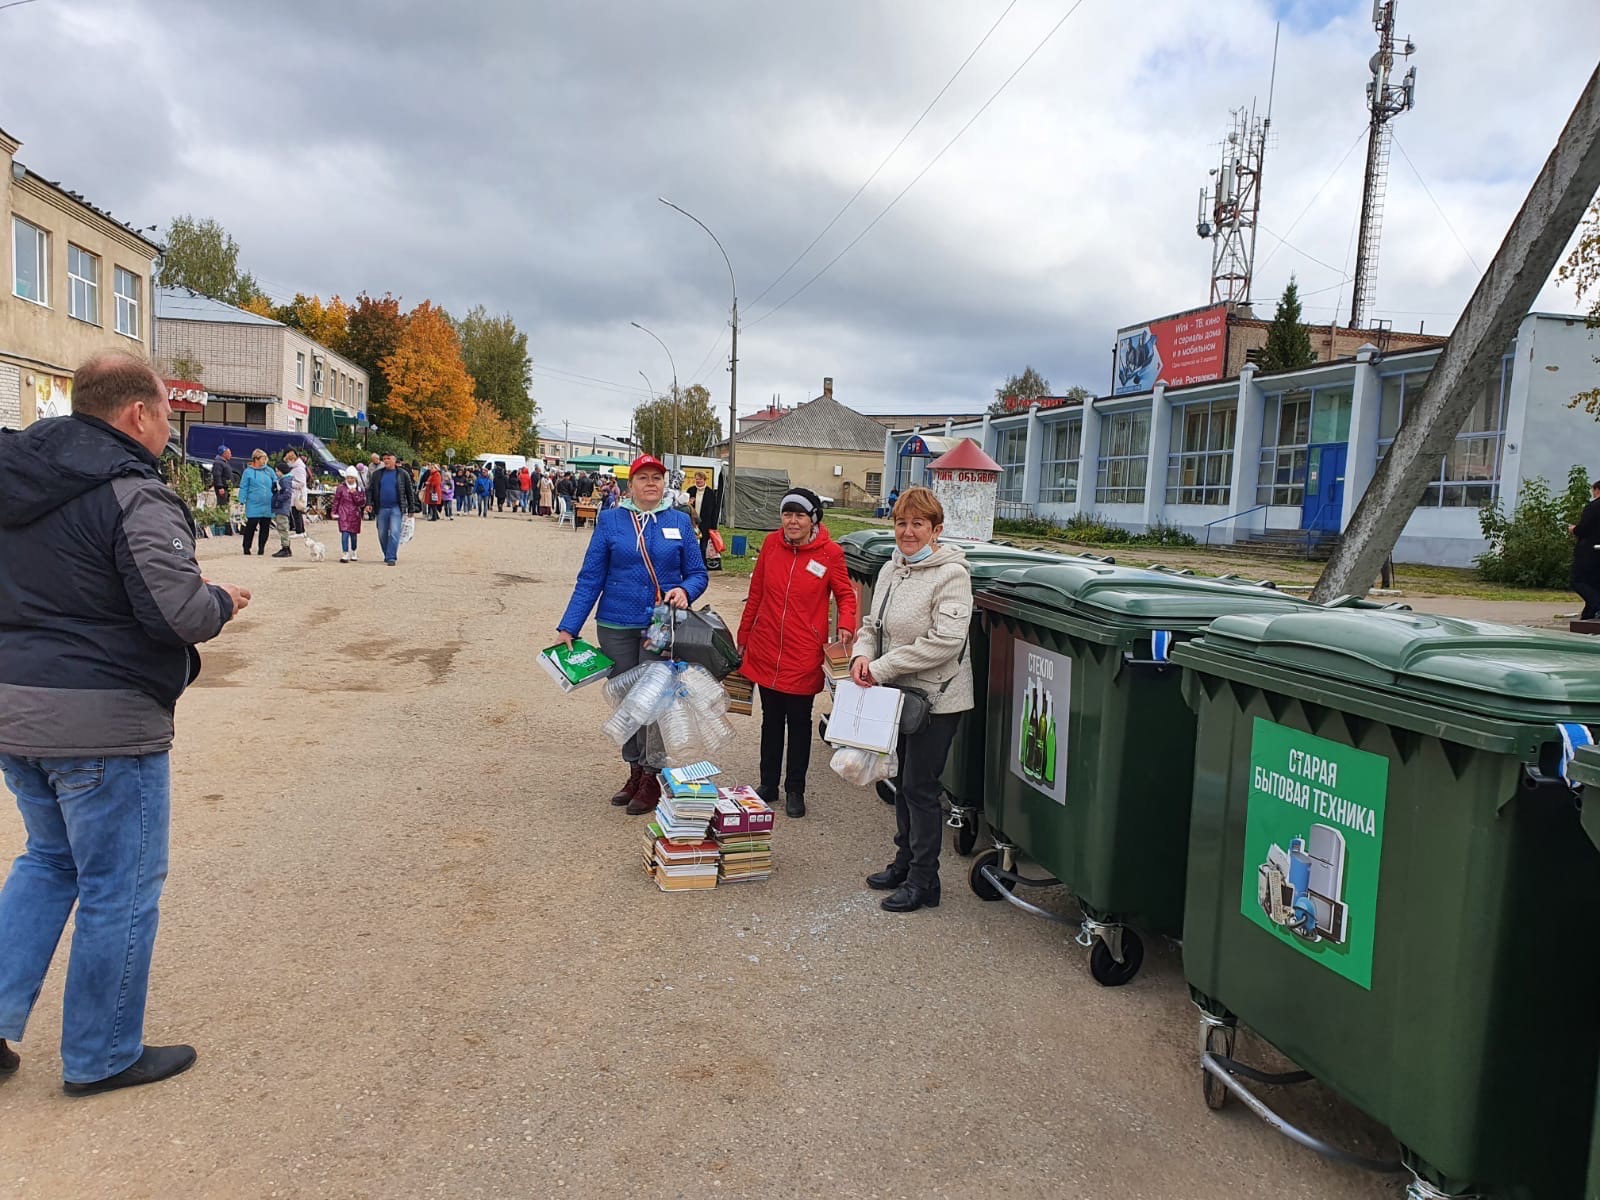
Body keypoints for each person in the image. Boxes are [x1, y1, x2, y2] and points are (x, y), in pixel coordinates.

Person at [0, 350, 248, 1094]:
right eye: (167, 414)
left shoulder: (16, 474)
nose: (168, 429)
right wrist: (218, 602)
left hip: (14, 706)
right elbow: (174, 611)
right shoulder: (132, 490)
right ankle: (102, 1054)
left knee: (48, 862)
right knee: (120, 884)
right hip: (102, 721)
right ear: (137, 413)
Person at [556, 454, 708, 816]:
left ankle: (652, 775)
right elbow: (590, 577)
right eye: (643, 478)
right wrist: (569, 625)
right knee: (627, 703)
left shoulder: (679, 522)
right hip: (616, 625)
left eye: (657, 477)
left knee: (654, 703)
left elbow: (698, 572)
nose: (650, 483)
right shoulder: (610, 521)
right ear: (630, 485)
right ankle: (633, 770)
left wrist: (686, 591)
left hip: (660, 626)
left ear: (665, 482)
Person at [850, 487, 973, 914]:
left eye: (918, 524)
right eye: (902, 522)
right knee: (901, 782)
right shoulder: (891, 569)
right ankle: (904, 862)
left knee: (920, 788)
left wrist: (883, 668)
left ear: (936, 530)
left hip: (937, 700)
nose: (908, 531)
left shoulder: (952, 575)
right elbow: (872, 624)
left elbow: (945, 641)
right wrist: (862, 654)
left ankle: (925, 881)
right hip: (898, 694)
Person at [737, 488, 856, 818]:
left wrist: (846, 623)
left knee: (799, 723)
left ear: (813, 518)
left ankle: (795, 789)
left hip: (803, 653)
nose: (792, 521)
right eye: (787, 514)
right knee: (771, 721)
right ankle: (768, 784)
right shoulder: (772, 546)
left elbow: (846, 595)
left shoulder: (829, 553)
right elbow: (756, 593)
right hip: (766, 647)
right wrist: (744, 636)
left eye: (799, 515)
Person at [366, 451, 419, 566]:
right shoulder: (377, 474)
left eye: (388, 458)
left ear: (394, 460)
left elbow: (410, 492)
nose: (386, 461)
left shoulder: (402, 474)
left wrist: (411, 509)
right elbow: (370, 490)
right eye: (384, 458)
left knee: (395, 532)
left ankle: (391, 557)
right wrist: (369, 503)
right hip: (381, 508)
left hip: (396, 508)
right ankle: (387, 553)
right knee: (382, 533)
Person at [236, 449, 276, 555]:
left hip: (267, 502)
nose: (264, 461)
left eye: (265, 459)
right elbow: (244, 486)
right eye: (263, 459)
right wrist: (241, 499)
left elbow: (275, 482)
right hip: (254, 502)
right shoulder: (248, 472)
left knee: (265, 526)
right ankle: (246, 547)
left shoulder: (269, 471)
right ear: (256, 459)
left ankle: (261, 547)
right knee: (251, 525)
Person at [1570, 478, 1600, 620]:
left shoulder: (1593, 507)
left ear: (1597, 490)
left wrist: (1574, 529)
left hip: (1589, 550)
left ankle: (1595, 605)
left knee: (1579, 581)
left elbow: (1584, 528)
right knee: (1595, 582)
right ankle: (1589, 615)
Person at [332, 467, 365, 562]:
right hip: (343, 513)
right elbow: (336, 501)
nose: (350, 480)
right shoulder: (341, 488)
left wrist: (355, 494)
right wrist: (334, 511)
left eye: (352, 478)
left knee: (353, 535)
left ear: (355, 478)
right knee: (344, 533)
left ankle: (354, 551)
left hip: (355, 514)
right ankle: (345, 553)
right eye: (348, 477)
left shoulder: (359, 489)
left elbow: (361, 502)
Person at [269, 460, 295, 557]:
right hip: (281, 507)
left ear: (282, 471)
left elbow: (287, 494)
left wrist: (277, 499)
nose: (276, 473)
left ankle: (286, 548)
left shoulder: (284, 481)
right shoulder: (283, 480)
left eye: (277, 471)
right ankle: (285, 547)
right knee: (281, 527)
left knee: (283, 527)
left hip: (282, 507)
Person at [284, 449, 309, 537]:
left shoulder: (299, 468)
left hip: (298, 494)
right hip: (296, 494)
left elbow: (301, 483)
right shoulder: (297, 467)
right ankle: (301, 530)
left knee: (296, 512)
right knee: (296, 512)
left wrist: (289, 482)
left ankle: (299, 531)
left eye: (288, 460)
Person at [697, 477, 722, 564]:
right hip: (693, 523)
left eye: (700, 479)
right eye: (696, 479)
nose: (698, 481)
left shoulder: (710, 493)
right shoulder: (691, 490)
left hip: (705, 523)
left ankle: (703, 562)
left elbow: (714, 510)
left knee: (703, 544)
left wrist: (713, 525)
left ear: (704, 480)